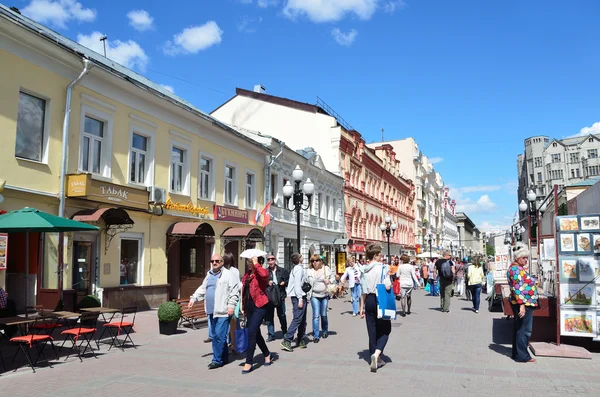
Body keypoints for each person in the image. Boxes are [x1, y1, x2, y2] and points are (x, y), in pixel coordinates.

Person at [188, 254, 240, 369]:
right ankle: (224, 357)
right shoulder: (209, 274)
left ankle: (217, 360)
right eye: (212, 261)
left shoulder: (228, 275)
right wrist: (193, 298)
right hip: (211, 311)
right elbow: (203, 288)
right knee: (219, 336)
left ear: (222, 262)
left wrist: (231, 306)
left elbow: (234, 292)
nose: (214, 263)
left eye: (217, 261)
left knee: (218, 336)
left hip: (223, 311)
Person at [360, 243, 392, 373]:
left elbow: (363, 291)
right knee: (385, 330)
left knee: (371, 331)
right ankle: (377, 354)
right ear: (375, 255)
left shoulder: (364, 269)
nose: (381, 257)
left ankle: (375, 358)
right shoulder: (383, 268)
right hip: (381, 300)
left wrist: (361, 307)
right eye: (380, 255)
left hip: (369, 301)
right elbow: (388, 286)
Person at [240, 257, 272, 373]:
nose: (249, 264)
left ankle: (249, 362)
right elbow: (245, 292)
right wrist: (243, 307)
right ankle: (267, 354)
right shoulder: (247, 274)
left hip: (260, 305)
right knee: (256, 333)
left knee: (252, 331)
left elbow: (264, 275)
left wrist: (256, 264)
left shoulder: (261, 273)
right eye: (248, 262)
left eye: (251, 262)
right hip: (249, 306)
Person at [507, 243, 538, 363]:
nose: (526, 260)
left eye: (527, 258)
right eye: (524, 258)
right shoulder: (516, 270)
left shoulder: (517, 269)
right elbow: (517, 288)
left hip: (524, 303)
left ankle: (517, 353)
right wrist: (522, 305)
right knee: (524, 330)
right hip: (523, 304)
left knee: (520, 329)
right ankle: (522, 355)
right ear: (517, 258)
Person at [281, 253, 308, 352]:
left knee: (302, 319)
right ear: (299, 259)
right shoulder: (298, 269)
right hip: (298, 297)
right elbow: (297, 285)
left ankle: (301, 338)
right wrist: (300, 298)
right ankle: (287, 339)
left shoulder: (297, 268)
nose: (303, 257)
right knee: (297, 318)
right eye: (301, 256)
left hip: (300, 295)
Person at [306, 254, 334, 343]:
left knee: (323, 314)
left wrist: (329, 281)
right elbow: (306, 282)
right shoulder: (309, 271)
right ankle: (316, 335)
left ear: (320, 261)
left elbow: (333, 278)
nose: (315, 262)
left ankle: (325, 330)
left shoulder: (325, 269)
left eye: (316, 260)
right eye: (313, 261)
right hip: (314, 295)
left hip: (324, 295)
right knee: (315, 316)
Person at [265, 254, 288, 342]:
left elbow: (288, 280)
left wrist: (283, 283)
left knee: (282, 315)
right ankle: (271, 334)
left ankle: (285, 332)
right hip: (270, 297)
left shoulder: (282, 270)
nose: (270, 261)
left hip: (280, 296)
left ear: (275, 260)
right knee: (269, 316)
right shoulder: (265, 272)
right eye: (269, 260)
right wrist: (268, 282)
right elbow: (262, 282)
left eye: (272, 259)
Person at [223, 252, 241, 352]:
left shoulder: (225, 271)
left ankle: (230, 342)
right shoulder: (235, 270)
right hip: (235, 299)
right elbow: (239, 285)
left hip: (227, 299)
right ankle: (234, 343)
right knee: (234, 321)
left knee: (227, 321)